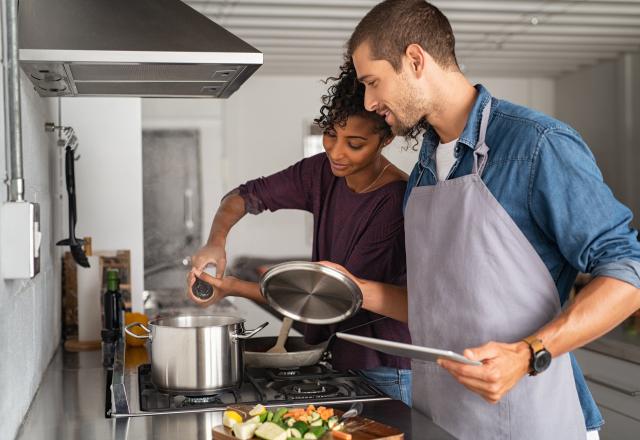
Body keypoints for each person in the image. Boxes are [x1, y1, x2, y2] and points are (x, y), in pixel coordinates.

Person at [317, 1, 640, 439]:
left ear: (415, 60)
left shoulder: (535, 145)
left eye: (373, 83)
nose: (371, 103)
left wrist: (528, 355)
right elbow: (440, 308)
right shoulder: (426, 169)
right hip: (445, 417)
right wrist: (352, 289)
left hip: (532, 418)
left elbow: (628, 271)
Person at [188, 63, 413, 405]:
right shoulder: (322, 171)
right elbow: (244, 196)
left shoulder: (393, 201)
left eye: (354, 144)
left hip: (386, 368)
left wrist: (235, 287)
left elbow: (331, 299)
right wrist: (215, 242)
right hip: (342, 356)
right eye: (330, 134)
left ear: (386, 139)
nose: (336, 153)